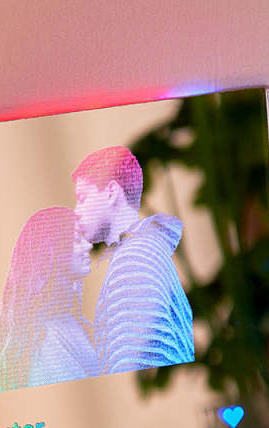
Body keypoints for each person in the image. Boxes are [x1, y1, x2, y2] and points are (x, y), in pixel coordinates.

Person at [72, 145, 194, 374]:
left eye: (83, 198)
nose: (77, 211)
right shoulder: (143, 249)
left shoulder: (132, 261)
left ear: (111, 192)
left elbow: (127, 362)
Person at [0, 206, 98, 391]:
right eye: (76, 239)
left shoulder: (66, 319)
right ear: (54, 251)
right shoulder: (47, 336)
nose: (88, 245)